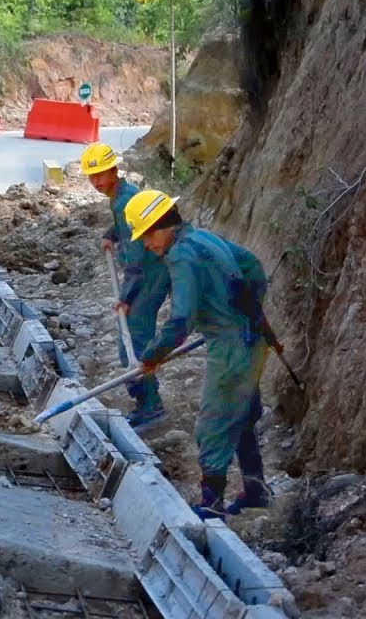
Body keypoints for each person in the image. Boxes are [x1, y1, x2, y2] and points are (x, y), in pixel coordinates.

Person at [125, 189, 274, 520]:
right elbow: (252, 266)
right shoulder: (203, 237)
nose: (147, 245)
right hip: (254, 336)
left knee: (214, 421)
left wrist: (153, 355)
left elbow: (180, 319)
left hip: (232, 347)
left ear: (161, 226)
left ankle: (211, 503)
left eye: (147, 236)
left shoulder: (181, 256)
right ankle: (255, 490)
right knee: (243, 414)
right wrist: (244, 311)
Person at [79, 143, 171, 431]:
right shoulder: (122, 194)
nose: (95, 183)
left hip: (149, 275)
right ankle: (146, 401)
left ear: (114, 170)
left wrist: (125, 296)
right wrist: (111, 234)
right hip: (151, 271)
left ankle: (151, 407)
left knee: (133, 344)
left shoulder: (122, 201)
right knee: (130, 341)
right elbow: (127, 228)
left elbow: (136, 260)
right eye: (91, 177)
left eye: (100, 175)